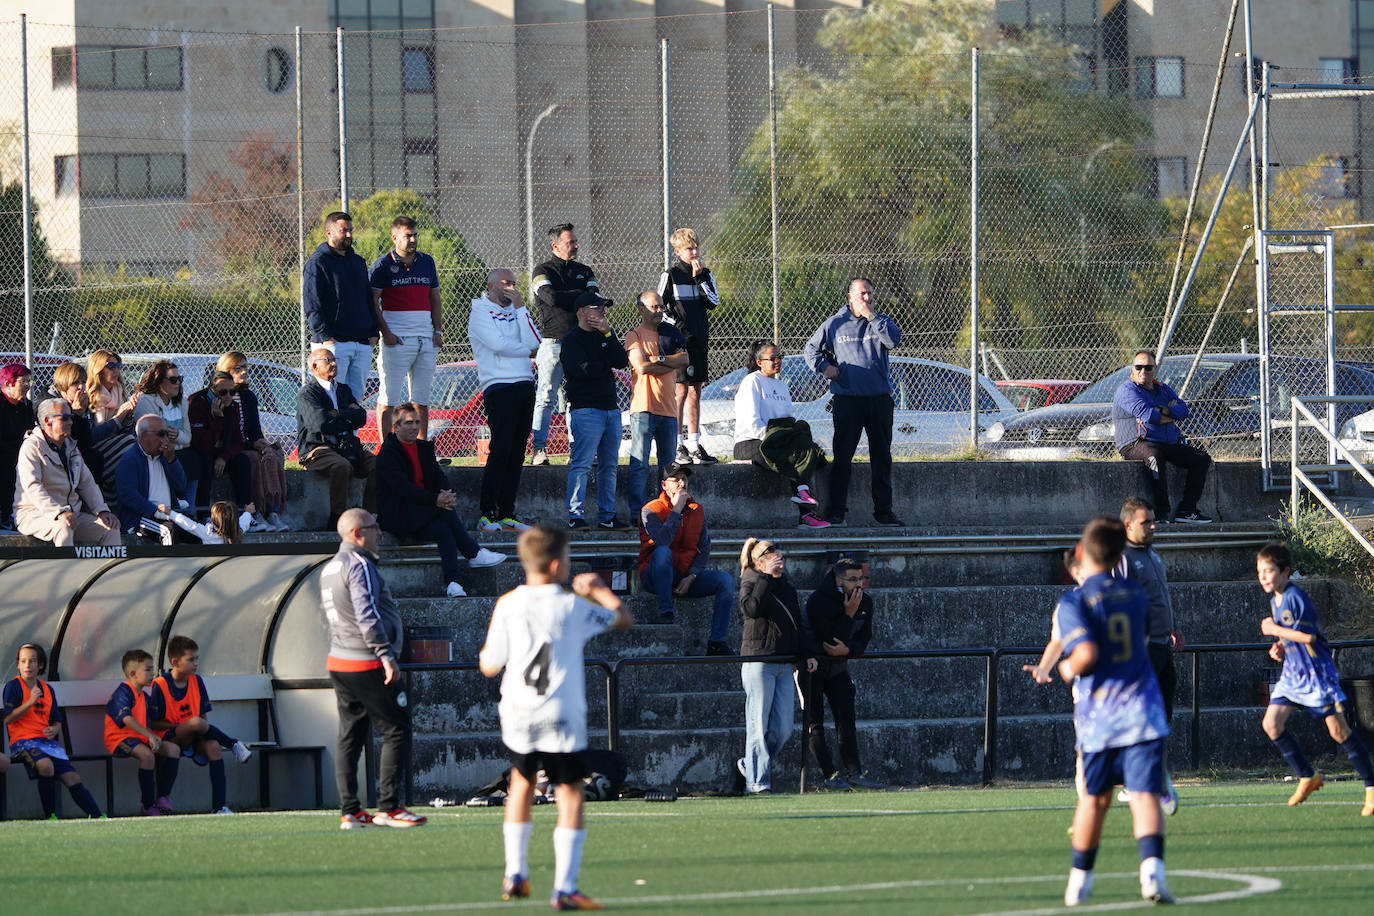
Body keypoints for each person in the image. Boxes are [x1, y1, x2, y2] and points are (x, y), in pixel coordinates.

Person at [478, 525, 633, 910]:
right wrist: (599, 590)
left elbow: (488, 665)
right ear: (555, 564)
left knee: (521, 784)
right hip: (560, 711)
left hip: (517, 709)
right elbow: (622, 618)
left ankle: (516, 872)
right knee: (570, 792)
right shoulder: (571, 606)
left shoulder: (508, 603)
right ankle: (565, 887)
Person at [1057, 517, 1173, 906]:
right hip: (1143, 708)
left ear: (1080, 554)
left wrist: (1066, 668)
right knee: (1144, 796)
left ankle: (1079, 883)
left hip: (1101, 717)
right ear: (1120, 554)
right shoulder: (1135, 593)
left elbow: (1086, 654)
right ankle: (1152, 875)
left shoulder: (1074, 600)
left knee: (1093, 799)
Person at [321, 508, 426, 829]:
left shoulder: (330, 567)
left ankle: (350, 810)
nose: (379, 531)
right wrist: (385, 655)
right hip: (366, 660)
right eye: (373, 527)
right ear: (357, 534)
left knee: (350, 736)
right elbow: (366, 614)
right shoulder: (359, 564)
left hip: (340, 659)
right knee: (396, 728)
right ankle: (390, 807)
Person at [1256, 542, 1374, 817]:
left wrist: (1274, 629)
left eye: (1269, 570)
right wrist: (1280, 646)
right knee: (1271, 724)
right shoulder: (1275, 598)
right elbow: (1291, 633)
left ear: (1286, 572)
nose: (1263, 576)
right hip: (1293, 675)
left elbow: (1310, 637)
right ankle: (1307, 777)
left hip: (1317, 673)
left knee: (1339, 732)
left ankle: (1371, 786)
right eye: (1260, 571)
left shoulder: (1295, 597)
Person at [376, 402, 508, 597]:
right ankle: (473, 553)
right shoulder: (388, 453)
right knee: (443, 510)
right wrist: (436, 500)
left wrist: (447, 493)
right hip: (400, 514)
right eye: (409, 423)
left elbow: (438, 476)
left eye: (417, 422)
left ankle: (453, 583)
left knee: (444, 531)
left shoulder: (423, 447)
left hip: (423, 511)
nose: (415, 427)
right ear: (396, 427)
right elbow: (403, 489)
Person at [803, 277, 903, 527]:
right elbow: (810, 350)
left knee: (881, 457)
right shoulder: (834, 324)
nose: (867, 298)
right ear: (850, 297)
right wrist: (825, 367)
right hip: (848, 400)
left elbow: (892, 341)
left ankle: (884, 512)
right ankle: (836, 511)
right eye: (862, 294)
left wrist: (871, 317)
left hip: (879, 399)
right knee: (843, 456)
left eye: (870, 293)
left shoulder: (881, 322)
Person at [1114, 498, 1181, 814]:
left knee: (1162, 716)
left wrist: (1174, 626)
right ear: (1128, 525)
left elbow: (1161, 595)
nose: (1153, 526)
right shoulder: (1123, 559)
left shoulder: (1151, 553)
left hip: (1162, 646)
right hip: (1142, 651)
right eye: (1146, 522)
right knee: (1143, 718)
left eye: (1154, 520)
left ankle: (1151, 776)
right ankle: (1137, 780)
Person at [737, 538, 814, 795]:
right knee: (758, 724)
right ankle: (757, 783)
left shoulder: (787, 587)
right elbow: (751, 610)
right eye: (773, 559)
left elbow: (797, 622)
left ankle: (750, 765)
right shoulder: (751, 580)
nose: (779, 562)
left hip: (784, 662)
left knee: (783, 729)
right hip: (759, 661)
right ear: (760, 562)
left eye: (780, 558)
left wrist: (807, 653)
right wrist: (764, 579)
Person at [147, 635, 253, 816]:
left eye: (197, 659)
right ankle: (234, 743)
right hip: (168, 737)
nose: (196, 663)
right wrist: (184, 725)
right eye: (191, 659)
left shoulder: (197, 681)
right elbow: (153, 721)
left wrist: (197, 730)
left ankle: (219, 807)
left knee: (213, 745)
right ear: (175, 662)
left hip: (193, 735)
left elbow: (203, 718)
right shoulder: (160, 684)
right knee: (195, 722)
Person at [637, 463, 736, 656]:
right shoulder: (650, 510)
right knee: (663, 552)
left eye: (685, 479)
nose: (682, 483)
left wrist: (691, 576)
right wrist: (676, 510)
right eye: (676, 479)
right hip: (654, 576)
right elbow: (663, 541)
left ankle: (716, 642)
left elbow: (705, 547)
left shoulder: (697, 510)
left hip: (684, 576)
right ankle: (666, 611)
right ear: (664, 485)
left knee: (726, 581)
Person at [468, 267, 539, 533]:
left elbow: (536, 340)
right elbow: (498, 345)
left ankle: (507, 511)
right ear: (491, 286)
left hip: (524, 383)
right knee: (501, 448)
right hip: (498, 385)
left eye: (513, 283)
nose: (511, 287)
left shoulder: (516, 310)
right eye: (506, 283)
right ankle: (487, 512)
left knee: (518, 450)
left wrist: (521, 310)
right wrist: (526, 351)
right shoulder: (480, 312)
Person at [800, 557, 879, 790]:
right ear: (838, 579)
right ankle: (830, 776)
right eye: (852, 579)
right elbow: (830, 643)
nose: (858, 585)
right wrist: (848, 615)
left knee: (846, 719)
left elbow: (863, 638)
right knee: (815, 723)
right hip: (812, 668)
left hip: (838, 669)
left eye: (861, 579)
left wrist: (850, 650)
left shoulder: (866, 602)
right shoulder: (818, 601)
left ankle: (854, 773)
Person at [734, 340, 829, 529]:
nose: (778, 361)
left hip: (777, 439)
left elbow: (787, 420)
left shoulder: (782, 386)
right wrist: (777, 440)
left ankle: (803, 498)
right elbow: (752, 422)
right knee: (791, 455)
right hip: (751, 442)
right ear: (760, 362)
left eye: (780, 357)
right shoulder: (752, 381)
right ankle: (806, 513)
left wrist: (785, 438)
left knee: (809, 448)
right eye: (773, 358)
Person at [2, 643, 104, 819]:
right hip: (23, 741)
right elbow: (8, 717)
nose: (28, 665)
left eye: (32, 661)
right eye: (23, 661)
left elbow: (56, 720)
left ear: (40, 665)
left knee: (73, 777)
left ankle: (98, 816)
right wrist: (30, 702)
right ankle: (50, 816)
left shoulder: (48, 689)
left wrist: (55, 728)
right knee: (46, 766)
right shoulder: (13, 687)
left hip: (47, 744)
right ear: (18, 664)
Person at [1111, 349, 1213, 524]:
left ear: (1155, 369)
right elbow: (1148, 416)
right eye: (1139, 367)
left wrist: (1162, 410)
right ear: (1132, 368)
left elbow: (1184, 410)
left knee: (1201, 458)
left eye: (1148, 367)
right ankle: (1162, 513)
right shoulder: (1127, 390)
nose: (1143, 371)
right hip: (1135, 443)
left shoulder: (1162, 388)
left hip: (1166, 442)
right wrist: (1168, 412)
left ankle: (1187, 511)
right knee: (1154, 456)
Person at [530, 223, 600, 466]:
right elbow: (549, 297)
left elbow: (594, 298)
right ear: (555, 245)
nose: (576, 246)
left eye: (575, 241)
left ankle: (576, 450)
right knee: (546, 397)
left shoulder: (585, 270)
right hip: (553, 342)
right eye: (570, 242)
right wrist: (578, 297)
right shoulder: (541, 270)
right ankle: (539, 450)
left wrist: (567, 296)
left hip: (580, 344)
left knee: (576, 399)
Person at [561, 291, 629, 531]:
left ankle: (607, 516)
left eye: (603, 308)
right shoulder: (571, 340)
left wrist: (608, 334)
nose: (601, 312)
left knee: (609, 465)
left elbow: (620, 361)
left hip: (611, 409)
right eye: (596, 307)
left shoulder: (604, 335)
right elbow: (584, 370)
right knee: (582, 463)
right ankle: (575, 514)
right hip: (586, 410)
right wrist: (604, 363)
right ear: (581, 311)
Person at [13, 398, 122, 547]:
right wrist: (58, 512)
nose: (71, 422)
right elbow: (33, 486)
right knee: (63, 527)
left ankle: (109, 571)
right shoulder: (31, 447)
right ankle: (66, 570)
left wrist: (102, 510)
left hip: (71, 515)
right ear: (47, 421)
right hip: (33, 514)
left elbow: (87, 483)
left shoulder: (71, 447)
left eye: (71, 417)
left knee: (110, 528)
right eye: (65, 418)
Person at [371, 215, 443, 440]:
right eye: (407, 236)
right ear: (395, 238)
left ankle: (421, 449)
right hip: (397, 341)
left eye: (415, 235)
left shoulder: (427, 261)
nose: (412, 240)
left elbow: (435, 298)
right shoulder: (382, 265)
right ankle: (386, 450)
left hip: (426, 340)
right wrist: (387, 334)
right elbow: (372, 302)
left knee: (421, 400)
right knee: (389, 400)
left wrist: (437, 331)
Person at [657, 227, 721, 465]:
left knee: (696, 391)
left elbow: (713, 302)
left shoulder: (705, 274)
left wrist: (700, 278)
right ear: (677, 251)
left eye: (696, 248)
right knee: (680, 392)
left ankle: (694, 445)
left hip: (700, 342)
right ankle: (676, 445)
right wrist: (679, 330)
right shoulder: (670, 275)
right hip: (680, 344)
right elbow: (659, 308)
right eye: (688, 249)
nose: (694, 252)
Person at [624, 290, 688, 521]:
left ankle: (666, 511)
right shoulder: (634, 336)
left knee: (668, 468)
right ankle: (638, 515)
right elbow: (641, 367)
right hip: (644, 408)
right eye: (654, 307)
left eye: (661, 306)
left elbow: (684, 360)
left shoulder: (671, 334)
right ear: (641, 309)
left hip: (669, 411)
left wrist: (659, 360)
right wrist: (668, 364)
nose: (659, 311)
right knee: (640, 465)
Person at [297, 348, 376, 531]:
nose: (334, 364)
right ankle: (337, 519)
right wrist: (347, 419)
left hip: (346, 447)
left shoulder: (343, 390)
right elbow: (320, 424)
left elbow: (361, 418)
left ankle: (370, 516)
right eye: (328, 360)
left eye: (334, 360)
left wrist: (338, 414)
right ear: (315, 366)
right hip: (317, 449)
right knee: (341, 466)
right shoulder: (308, 393)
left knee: (377, 465)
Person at [304, 210, 378, 401]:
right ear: (329, 232)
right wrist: (326, 337)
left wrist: (373, 332)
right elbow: (312, 303)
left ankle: (351, 433)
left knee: (355, 401)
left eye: (351, 230)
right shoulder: (317, 263)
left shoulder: (358, 262)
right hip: (334, 344)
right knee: (332, 400)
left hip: (361, 343)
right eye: (343, 231)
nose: (349, 235)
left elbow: (368, 299)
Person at [103, 649, 183, 816]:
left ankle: (162, 798)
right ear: (133, 673)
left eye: (152, 669)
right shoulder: (123, 692)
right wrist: (149, 736)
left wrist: (154, 737)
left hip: (139, 738)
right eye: (147, 669)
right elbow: (127, 719)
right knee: (147, 756)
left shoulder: (144, 696)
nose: (152, 673)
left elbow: (146, 724)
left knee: (173, 750)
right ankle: (147, 806)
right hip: (119, 739)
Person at [217, 351, 289, 531]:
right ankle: (253, 513)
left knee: (271, 456)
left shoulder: (248, 396)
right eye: (238, 368)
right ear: (226, 371)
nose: (244, 372)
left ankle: (272, 513)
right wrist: (252, 445)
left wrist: (262, 444)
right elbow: (227, 435)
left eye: (245, 367)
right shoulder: (221, 396)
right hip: (231, 448)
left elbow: (255, 430)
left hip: (246, 445)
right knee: (253, 459)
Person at [132, 359, 203, 510]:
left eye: (179, 379)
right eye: (173, 379)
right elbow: (149, 435)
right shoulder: (146, 401)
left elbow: (187, 438)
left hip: (176, 450)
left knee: (196, 459)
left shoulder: (181, 403)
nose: (177, 383)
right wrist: (173, 438)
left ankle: (190, 509)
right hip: (156, 452)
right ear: (159, 382)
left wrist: (176, 434)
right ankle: (178, 507)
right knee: (178, 460)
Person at [187, 371, 253, 518]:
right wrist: (218, 419)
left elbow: (238, 442)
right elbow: (202, 445)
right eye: (223, 392)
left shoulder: (233, 407)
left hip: (220, 454)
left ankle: (246, 514)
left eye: (232, 391)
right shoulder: (198, 404)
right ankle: (203, 515)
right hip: (201, 452)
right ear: (212, 390)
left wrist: (224, 457)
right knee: (206, 461)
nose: (228, 396)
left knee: (242, 462)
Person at [114, 415, 191, 540]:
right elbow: (127, 494)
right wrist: (155, 511)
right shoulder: (130, 460)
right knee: (168, 531)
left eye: (167, 434)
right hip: (142, 518)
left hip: (169, 514)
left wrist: (172, 460)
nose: (165, 440)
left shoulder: (165, 456)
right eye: (161, 434)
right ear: (144, 435)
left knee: (199, 530)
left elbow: (181, 487)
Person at [85, 349, 140, 496]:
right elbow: (94, 436)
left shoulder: (119, 391)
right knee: (130, 444)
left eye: (118, 366)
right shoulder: (89, 396)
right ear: (99, 369)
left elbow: (126, 430)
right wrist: (119, 416)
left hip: (117, 443)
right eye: (111, 366)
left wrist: (128, 415)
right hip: (96, 448)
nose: (116, 370)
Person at [1, 362, 37, 531]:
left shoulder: (26, 405)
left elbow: (30, 429)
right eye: (23, 382)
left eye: (29, 382)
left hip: (21, 453)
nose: (27, 387)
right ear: (9, 383)